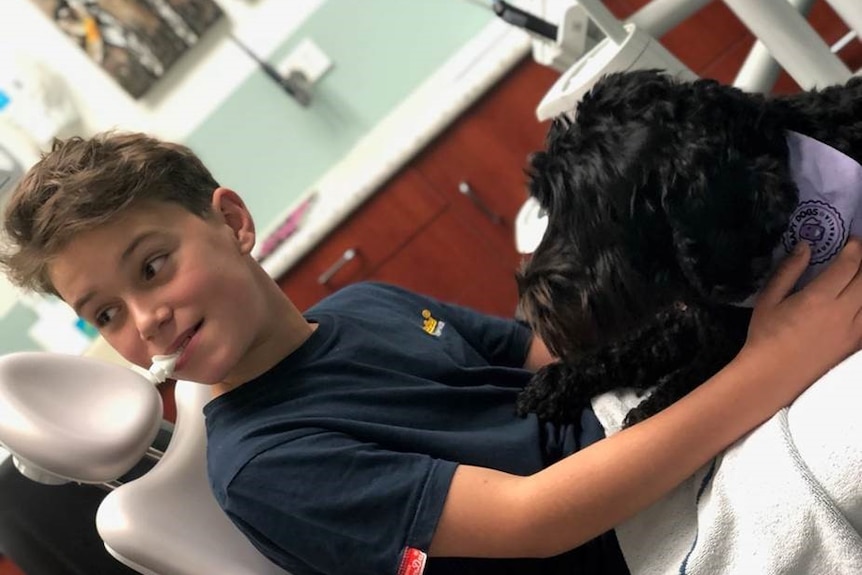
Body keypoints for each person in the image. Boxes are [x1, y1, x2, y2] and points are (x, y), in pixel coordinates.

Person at [2, 131, 862, 575]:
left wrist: (701, 309)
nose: (145, 318)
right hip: (631, 545)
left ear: (231, 222)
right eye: (105, 311)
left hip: (630, 442)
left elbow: (545, 355)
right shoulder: (263, 464)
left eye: (153, 266)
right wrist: (769, 368)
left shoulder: (364, 308)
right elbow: (538, 518)